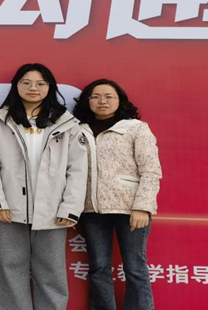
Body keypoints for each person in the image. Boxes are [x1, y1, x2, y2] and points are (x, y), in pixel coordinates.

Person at [0, 63, 88, 310]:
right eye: (26, 83)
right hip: (8, 208)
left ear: (50, 87)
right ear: (16, 86)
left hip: (53, 209)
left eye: (40, 83)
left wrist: (70, 208)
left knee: (52, 271)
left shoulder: (66, 122)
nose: (33, 88)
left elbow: (78, 170)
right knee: (10, 269)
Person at [72, 79, 162, 310]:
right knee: (98, 267)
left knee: (135, 267)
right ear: (87, 101)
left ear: (119, 100)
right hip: (91, 209)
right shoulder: (77, 129)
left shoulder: (135, 128)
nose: (102, 101)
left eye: (109, 96)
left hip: (130, 209)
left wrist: (142, 207)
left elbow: (150, 169)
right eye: (96, 96)